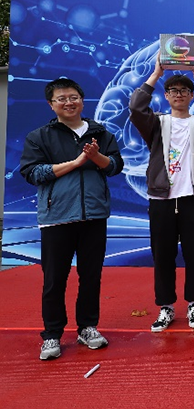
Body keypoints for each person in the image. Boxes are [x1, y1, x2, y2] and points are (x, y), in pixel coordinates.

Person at [20, 78, 124, 361]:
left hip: (94, 215)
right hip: (57, 217)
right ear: (51, 104)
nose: (69, 103)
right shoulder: (40, 137)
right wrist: (76, 163)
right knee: (55, 279)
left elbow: (115, 166)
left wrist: (96, 157)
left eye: (74, 97)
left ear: (82, 99)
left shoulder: (100, 133)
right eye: (62, 98)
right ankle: (52, 334)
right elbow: (33, 173)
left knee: (91, 276)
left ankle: (87, 327)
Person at [129, 55, 194, 332]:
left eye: (184, 90)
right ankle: (166, 307)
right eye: (173, 91)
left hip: (193, 198)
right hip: (162, 200)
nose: (179, 94)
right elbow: (136, 107)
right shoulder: (156, 124)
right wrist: (156, 74)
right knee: (163, 257)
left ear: (191, 96)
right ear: (166, 96)